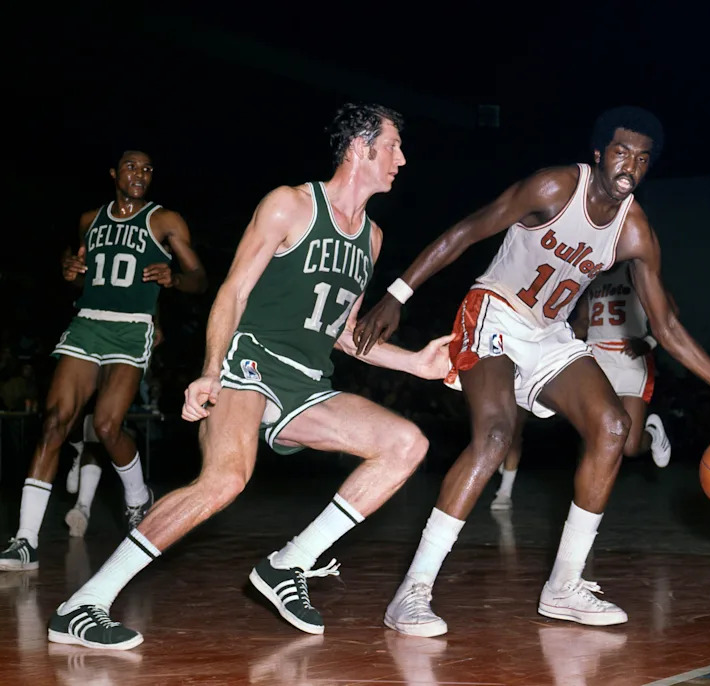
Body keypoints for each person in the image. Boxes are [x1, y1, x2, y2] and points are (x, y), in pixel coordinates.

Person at [354, 105, 710, 637]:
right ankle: (412, 591)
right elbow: (467, 231)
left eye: (642, 159)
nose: (630, 166)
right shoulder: (552, 187)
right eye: (621, 153)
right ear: (599, 154)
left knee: (614, 427)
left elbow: (665, 327)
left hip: (549, 331)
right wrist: (397, 295)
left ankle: (564, 587)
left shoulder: (634, 230)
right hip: (495, 311)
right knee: (496, 437)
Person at [47, 103, 453, 651]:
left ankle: (291, 564)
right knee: (224, 480)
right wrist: (210, 372)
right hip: (252, 361)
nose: (401, 159)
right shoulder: (289, 204)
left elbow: (344, 332)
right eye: (394, 145)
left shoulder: (373, 238)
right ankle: (84, 604)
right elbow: (233, 291)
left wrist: (416, 364)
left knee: (406, 443)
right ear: (361, 147)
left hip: (308, 381)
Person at [0, 150, 207, 572]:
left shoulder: (166, 220)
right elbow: (78, 278)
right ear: (114, 173)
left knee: (108, 426)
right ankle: (25, 541)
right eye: (132, 166)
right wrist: (70, 270)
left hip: (133, 327)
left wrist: (175, 278)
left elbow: (199, 280)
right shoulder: (88, 220)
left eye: (148, 168)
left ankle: (137, 495)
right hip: (88, 323)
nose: (141, 174)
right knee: (55, 420)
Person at [490, 262, 674, 511]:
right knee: (590, 438)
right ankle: (580, 512)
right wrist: (554, 338)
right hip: (597, 356)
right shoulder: (593, 274)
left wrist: (650, 342)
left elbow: (670, 309)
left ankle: (652, 433)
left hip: (632, 357)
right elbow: (583, 321)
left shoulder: (635, 269)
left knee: (629, 447)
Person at [64, 321, 165, 538]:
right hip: (94, 336)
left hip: (126, 350)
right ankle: (77, 450)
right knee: (73, 415)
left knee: (102, 428)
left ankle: (83, 506)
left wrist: (156, 325)